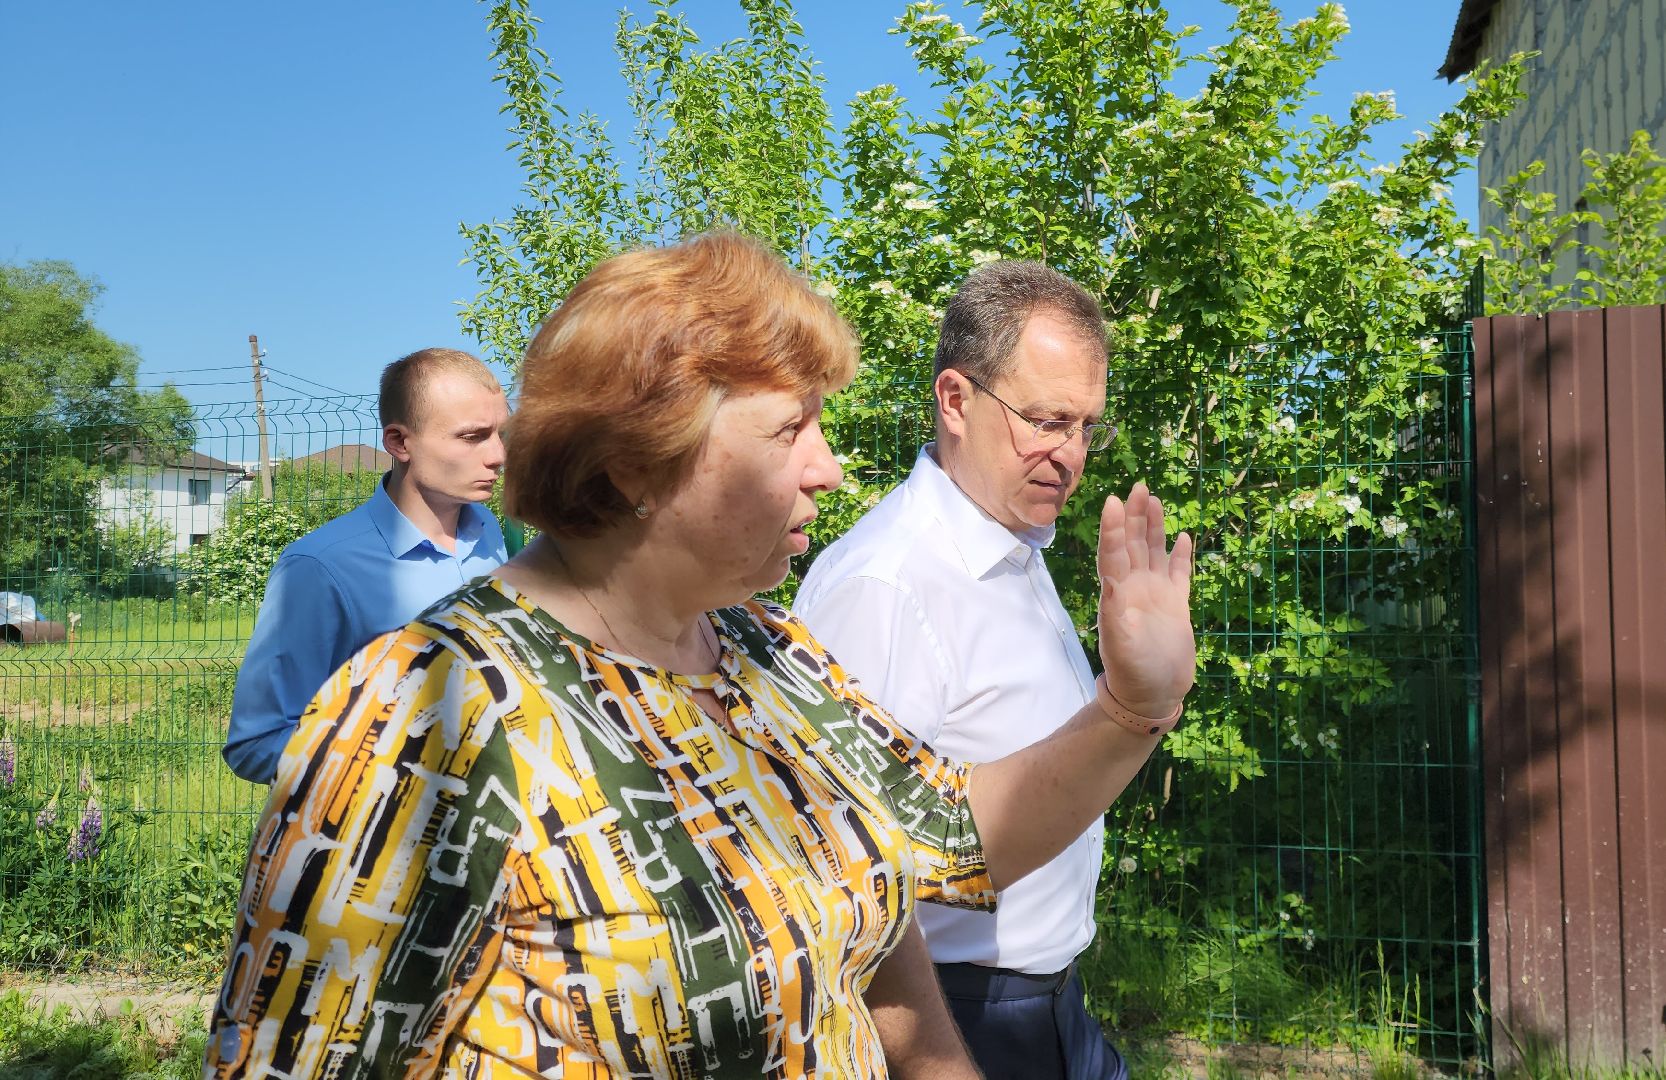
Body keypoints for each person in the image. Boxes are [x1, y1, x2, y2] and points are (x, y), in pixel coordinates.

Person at [203, 233, 1195, 1078]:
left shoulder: (767, 655)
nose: (828, 468)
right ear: (640, 458)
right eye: (790, 429)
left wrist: (1131, 706)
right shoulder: (428, 714)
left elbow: (944, 839)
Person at [795, 260, 1157, 1079]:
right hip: (953, 1021)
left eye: (1087, 427)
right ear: (955, 400)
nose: (1071, 455)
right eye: (1047, 421)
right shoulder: (887, 585)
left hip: (1056, 1007)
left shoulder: (1013, 546)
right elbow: (849, 881)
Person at [220, 347, 509, 783]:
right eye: (472, 437)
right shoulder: (319, 568)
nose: (498, 455)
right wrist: (406, 764)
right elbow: (256, 744)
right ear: (399, 442)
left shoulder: (488, 533)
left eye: (500, 434)